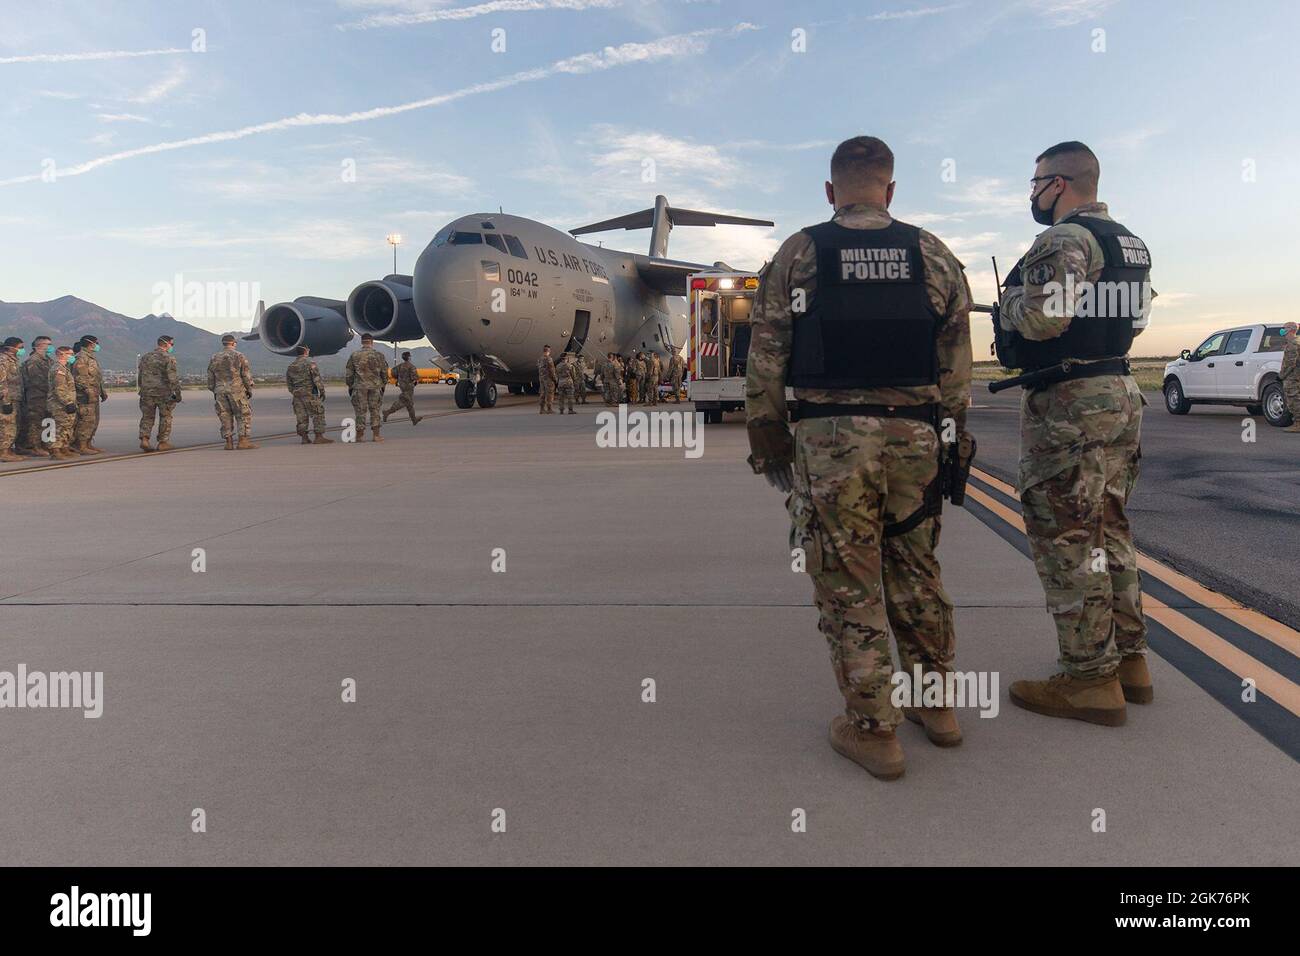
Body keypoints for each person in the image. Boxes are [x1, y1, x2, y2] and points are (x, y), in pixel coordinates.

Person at [746, 135, 973, 780]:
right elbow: (957, 359)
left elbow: (767, 353)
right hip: (917, 438)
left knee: (849, 582)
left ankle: (874, 731)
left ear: (830, 191)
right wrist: (952, 436)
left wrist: (768, 435)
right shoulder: (933, 254)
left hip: (831, 439)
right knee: (917, 568)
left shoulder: (800, 253)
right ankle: (938, 708)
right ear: (891, 189)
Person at [997, 141, 1152, 724]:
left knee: (1067, 537)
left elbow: (1044, 317)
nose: (1032, 192)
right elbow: (1135, 320)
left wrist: (1007, 303)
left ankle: (1089, 679)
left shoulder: (1064, 240)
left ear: (1059, 183)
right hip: (1118, 391)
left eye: (1035, 181)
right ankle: (1131, 663)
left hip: (1070, 402)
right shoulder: (1129, 243)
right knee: (1110, 528)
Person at [207, 333, 257, 450]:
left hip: (220, 391)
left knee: (224, 416)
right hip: (236, 390)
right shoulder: (239, 356)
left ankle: (228, 442)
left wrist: (214, 389)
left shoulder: (214, 357)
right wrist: (249, 389)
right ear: (234, 343)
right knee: (243, 415)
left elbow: (210, 377)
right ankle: (243, 441)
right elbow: (245, 375)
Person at [345, 333, 390, 441]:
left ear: (362, 341)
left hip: (359, 387)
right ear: (372, 342)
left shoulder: (354, 355)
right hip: (375, 386)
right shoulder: (379, 355)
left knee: (360, 411)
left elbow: (349, 373)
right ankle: (376, 435)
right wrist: (383, 384)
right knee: (375, 410)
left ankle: (360, 436)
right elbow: (384, 373)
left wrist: (351, 385)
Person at [139, 335, 180, 451]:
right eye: (171, 344)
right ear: (166, 344)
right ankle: (163, 442)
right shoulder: (168, 358)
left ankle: (144, 439)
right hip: (163, 393)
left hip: (146, 392)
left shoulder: (145, 357)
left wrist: (142, 389)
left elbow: (140, 375)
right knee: (165, 417)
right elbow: (173, 378)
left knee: (147, 417)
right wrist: (178, 393)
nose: (172, 347)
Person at [286, 345, 333, 444]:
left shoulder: (291, 366)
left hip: (297, 395)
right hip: (310, 393)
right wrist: (322, 391)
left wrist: (295, 392)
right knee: (318, 414)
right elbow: (316, 379)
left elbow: (289, 384)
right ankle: (319, 437)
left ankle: (304, 438)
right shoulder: (310, 363)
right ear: (305, 351)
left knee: (301, 417)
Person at [70, 335, 107, 455]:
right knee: (86, 420)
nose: (97, 345)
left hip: (94, 395)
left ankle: (88, 443)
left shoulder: (91, 358)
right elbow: (80, 378)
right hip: (85, 396)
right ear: (90, 344)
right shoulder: (81, 358)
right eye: (96, 343)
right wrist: (88, 391)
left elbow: (96, 377)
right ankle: (81, 445)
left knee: (93, 421)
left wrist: (102, 391)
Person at [19, 335, 53, 457]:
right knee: (35, 422)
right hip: (36, 397)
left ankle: (44, 445)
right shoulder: (33, 361)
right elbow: (36, 381)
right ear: (39, 346)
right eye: (48, 344)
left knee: (46, 421)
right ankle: (34, 446)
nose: (50, 347)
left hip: (47, 397)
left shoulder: (48, 360)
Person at [46, 346, 79, 460]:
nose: (72, 356)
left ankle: (64, 448)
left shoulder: (64, 368)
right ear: (61, 354)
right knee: (59, 427)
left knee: (67, 427)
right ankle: (55, 451)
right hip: (59, 405)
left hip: (65, 403)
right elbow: (59, 389)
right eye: (70, 354)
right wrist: (68, 402)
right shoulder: (58, 370)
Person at [0, 337, 24, 462]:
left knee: (13, 425)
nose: (22, 350)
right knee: (7, 426)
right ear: (11, 347)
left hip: (14, 397)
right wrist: (6, 401)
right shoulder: (3, 361)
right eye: (20, 347)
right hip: (7, 399)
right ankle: (3, 452)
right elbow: (1, 382)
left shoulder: (13, 360)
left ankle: (8, 450)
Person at [384, 351, 424, 426]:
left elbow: (393, 372)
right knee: (405, 402)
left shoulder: (400, 366)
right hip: (409, 387)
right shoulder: (411, 366)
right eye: (410, 356)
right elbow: (415, 377)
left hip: (402, 386)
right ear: (409, 357)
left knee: (409, 403)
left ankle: (414, 420)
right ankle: (387, 412)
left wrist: (398, 378)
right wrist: (416, 381)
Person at [1281, 322, 1300, 432]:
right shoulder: (1297, 341)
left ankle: (1298, 424)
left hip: (1293, 376)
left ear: (1290, 330)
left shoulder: (1292, 343)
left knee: (1294, 399)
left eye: (1284, 328)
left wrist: (1281, 375)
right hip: (1297, 375)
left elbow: (1290, 363)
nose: (1282, 330)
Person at [537, 345, 557, 414]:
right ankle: (549, 408)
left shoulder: (540, 359)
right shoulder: (549, 359)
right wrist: (555, 379)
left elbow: (539, 369)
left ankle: (541, 409)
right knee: (549, 394)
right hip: (548, 379)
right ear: (548, 351)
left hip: (541, 379)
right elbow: (552, 370)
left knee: (542, 393)